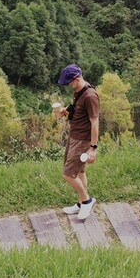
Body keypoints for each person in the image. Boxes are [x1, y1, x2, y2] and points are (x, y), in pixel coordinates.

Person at [57, 64, 100, 220]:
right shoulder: (78, 91)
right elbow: (77, 110)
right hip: (74, 136)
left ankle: (87, 200)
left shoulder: (90, 96)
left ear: (76, 79)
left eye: (68, 82)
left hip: (82, 140)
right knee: (79, 171)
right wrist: (65, 112)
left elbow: (95, 123)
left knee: (68, 174)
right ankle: (81, 203)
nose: (68, 86)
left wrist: (93, 148)